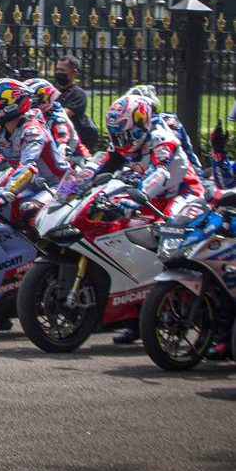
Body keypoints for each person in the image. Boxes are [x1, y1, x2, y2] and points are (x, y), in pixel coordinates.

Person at [100, 95, 206, 344]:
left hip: (183, 194)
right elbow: (101, 166)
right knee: (122, 242)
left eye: (125, 136)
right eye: (116, 137)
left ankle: (194, 312)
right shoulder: (124, 141)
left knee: (170, 243)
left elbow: (160, 172)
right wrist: (78, 187)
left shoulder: (161, 137)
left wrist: (136, 199)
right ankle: (135, 317)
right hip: (149, 198)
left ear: (141, 123)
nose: (120, 142)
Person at [0, 79, 69, 331]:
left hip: (56, 186)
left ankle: (46, 278)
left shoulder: (33, 130)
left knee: (29, 213)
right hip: (25, 185)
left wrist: (6, 193)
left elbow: (29, 167)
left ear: (10, 105)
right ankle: (0, 301)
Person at [26, 78, 90, 162]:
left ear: (43, 99)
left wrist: (62, 148)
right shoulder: (37, 115)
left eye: (30, 99)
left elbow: (62, 143)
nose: (27, 102)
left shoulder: (57, 119)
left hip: (76, 159)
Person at [53, 55, 100, 151]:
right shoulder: (55, 91)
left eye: (62, 71)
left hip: (74, 142)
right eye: (57, 70)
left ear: (73, 73)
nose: (58, 73)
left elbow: (62, 115)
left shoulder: (77, 94)